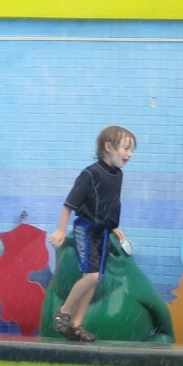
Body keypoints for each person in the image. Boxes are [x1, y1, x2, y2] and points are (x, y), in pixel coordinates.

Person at [47, 126, 135, 343]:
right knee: (92, 276)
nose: (130, 154)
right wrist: (61, 229)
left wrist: (112, 226)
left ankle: (76, 325)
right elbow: (69, 204)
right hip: (86, 229)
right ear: (108, 147)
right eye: (126, 148)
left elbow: (109, 204)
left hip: (103, 232)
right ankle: (63, 312)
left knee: (94, 280)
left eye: (132, 150)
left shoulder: (118, 175)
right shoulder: (90, 174)